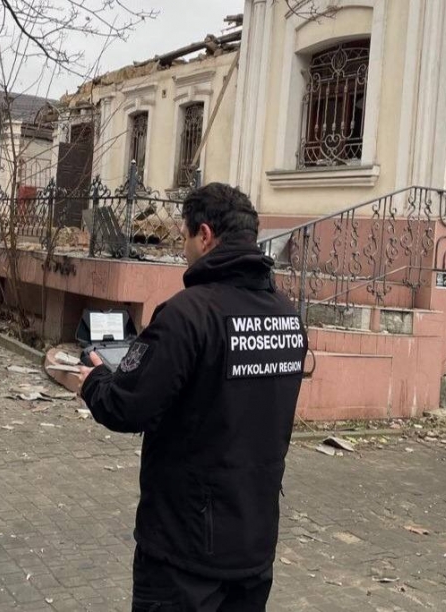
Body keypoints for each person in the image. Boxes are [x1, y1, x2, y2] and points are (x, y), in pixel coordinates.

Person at [76, 183, 307, 612]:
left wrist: (91, 381)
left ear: (204, 235)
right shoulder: (287, 316)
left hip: (184, 551)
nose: (183, 249)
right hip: (253, 542)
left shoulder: (187, 314)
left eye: (183, 237)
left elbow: (126, 405)